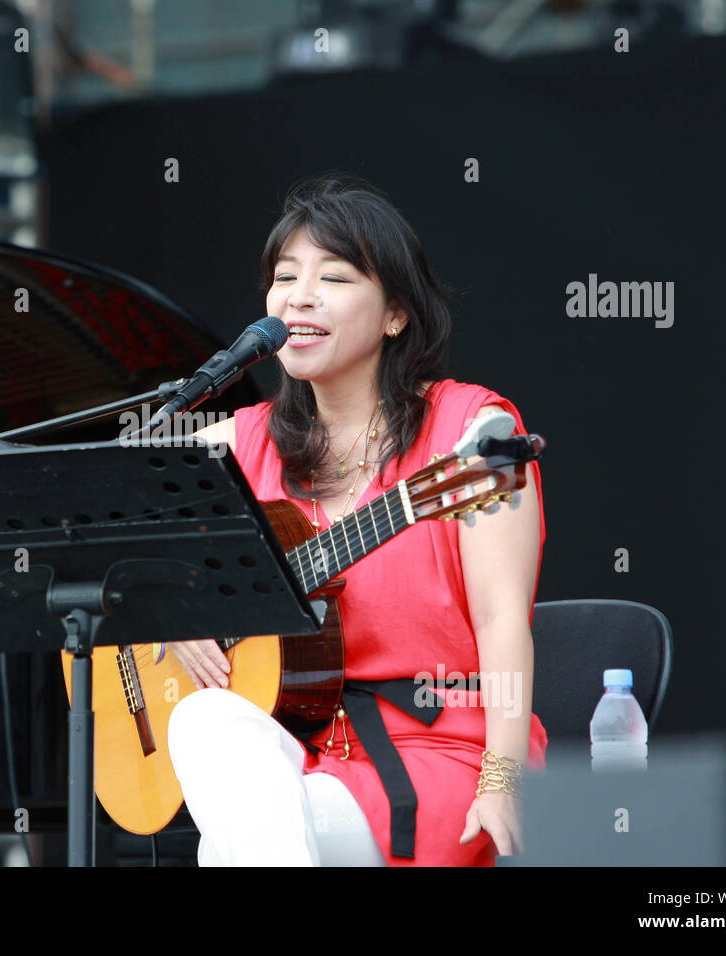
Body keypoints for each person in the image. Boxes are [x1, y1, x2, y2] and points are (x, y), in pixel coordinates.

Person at [168, 172, 547, 866]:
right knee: (205, 718)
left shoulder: (472, 432)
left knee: (230, 846)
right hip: (294, 755)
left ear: (396, 314)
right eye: (285, 277)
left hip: (436, 759)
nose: (300, 296)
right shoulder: (236, 445)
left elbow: (502, 620)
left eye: (334, 277)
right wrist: (173, 612)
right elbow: (105, 526)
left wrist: (505, 779)